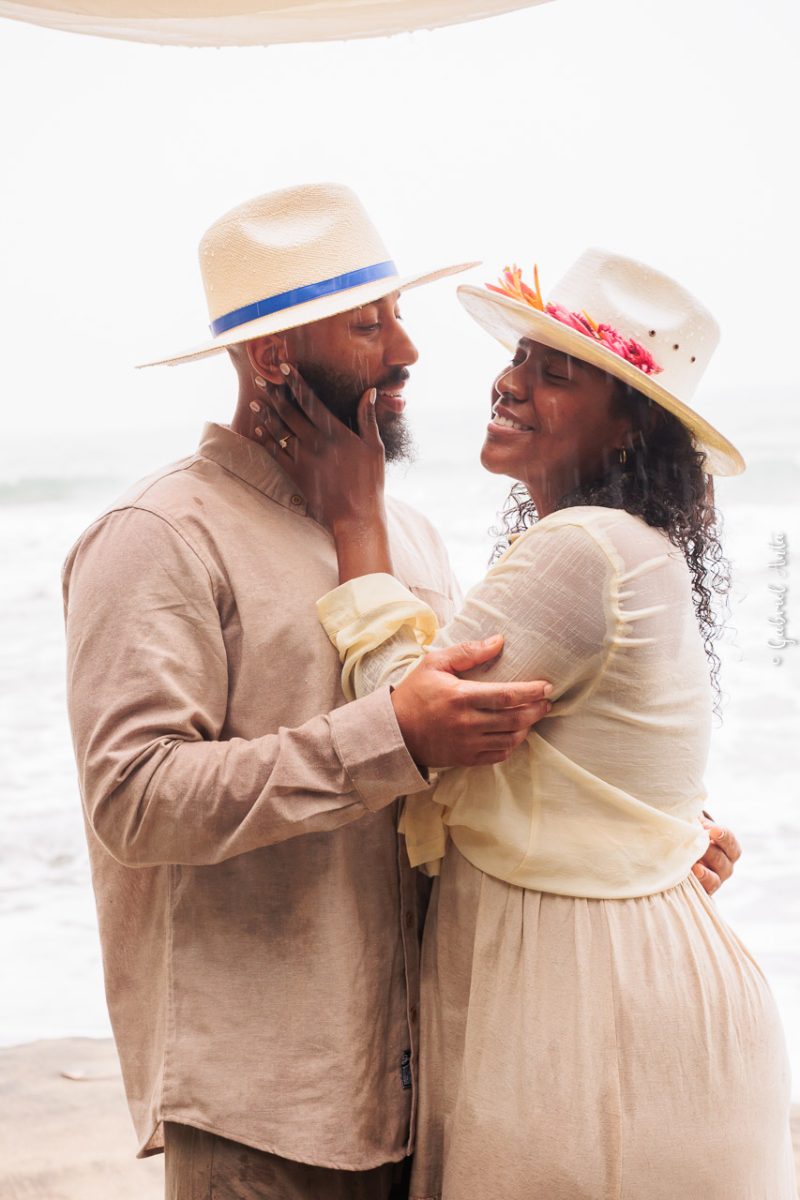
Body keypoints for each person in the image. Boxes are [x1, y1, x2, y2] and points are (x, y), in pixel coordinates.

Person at [62, 186, 739, 1200]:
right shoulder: (161, 536)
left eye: (397, 316)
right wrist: (389, 733)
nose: (411, 350)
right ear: (274, 357)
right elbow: (134, 800)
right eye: (369, 326)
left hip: (436, 1087)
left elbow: (472, 766)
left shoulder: (403, 538)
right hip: (267, 1106)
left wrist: (641, 831)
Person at [261, 249, 794, 1198]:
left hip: (589, 1004)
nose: (510, 383)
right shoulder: (636, 552)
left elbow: (414, 717)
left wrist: (356, 521)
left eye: (556, 374)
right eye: (518, 357)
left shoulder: (585, 548)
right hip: (633, 980)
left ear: (629, 430)